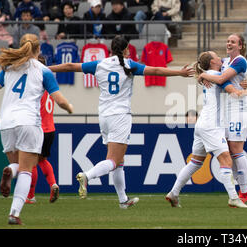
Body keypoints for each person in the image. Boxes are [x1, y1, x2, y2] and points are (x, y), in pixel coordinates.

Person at [48, 35, 194, 208]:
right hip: (120, 116)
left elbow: (70, 66)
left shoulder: (100, 64)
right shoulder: (129, 65)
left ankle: (123, 200)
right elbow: (155, 71)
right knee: (113, 160)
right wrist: (180, 73)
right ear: (126, 50)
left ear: (111, 49)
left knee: (119, 161)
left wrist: (44, 68)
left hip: (104, 116)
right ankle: (87, 175)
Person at [0, 34, 73, 225]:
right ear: (38, 50)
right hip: (28, 122)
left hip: (6, 122)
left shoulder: (9, 67)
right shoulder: (43, 70)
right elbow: (59, 99)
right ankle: (14, 213)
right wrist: (69, 107)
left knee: (17, 166)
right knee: (27, 170)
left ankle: (9, 171)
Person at [166, 51, 247, 209]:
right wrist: (242, 91)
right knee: (226, 160)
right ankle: (233, 197)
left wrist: (202, 75)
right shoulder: (217, 76)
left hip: (201, 124)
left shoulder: (209, 75)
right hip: (212, 126)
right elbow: (233, 91)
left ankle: (174, 193)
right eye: (217, 56)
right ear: (212, 62)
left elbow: (218, 79)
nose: (220, 58)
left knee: (195, 163)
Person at [197, 33, 247, 203]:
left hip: (239, 108)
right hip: (227, 109)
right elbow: (205, 62)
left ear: (241, 46)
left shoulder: (240, 60)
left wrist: (204, 75)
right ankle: (244, 186)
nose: (229, 43)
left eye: (233, 42)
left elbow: (221, 78)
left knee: (236, 149)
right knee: (229, 149)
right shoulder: (225, 61)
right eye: (228, 41)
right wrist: (201, 73)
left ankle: (244, 191)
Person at [25, 55, 60, 204]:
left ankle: (30, 196)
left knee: (31, 162)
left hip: (38, 128)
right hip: (50, 129)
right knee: (42, 159)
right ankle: (53, 184)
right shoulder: (50, 84)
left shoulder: (35, 85)